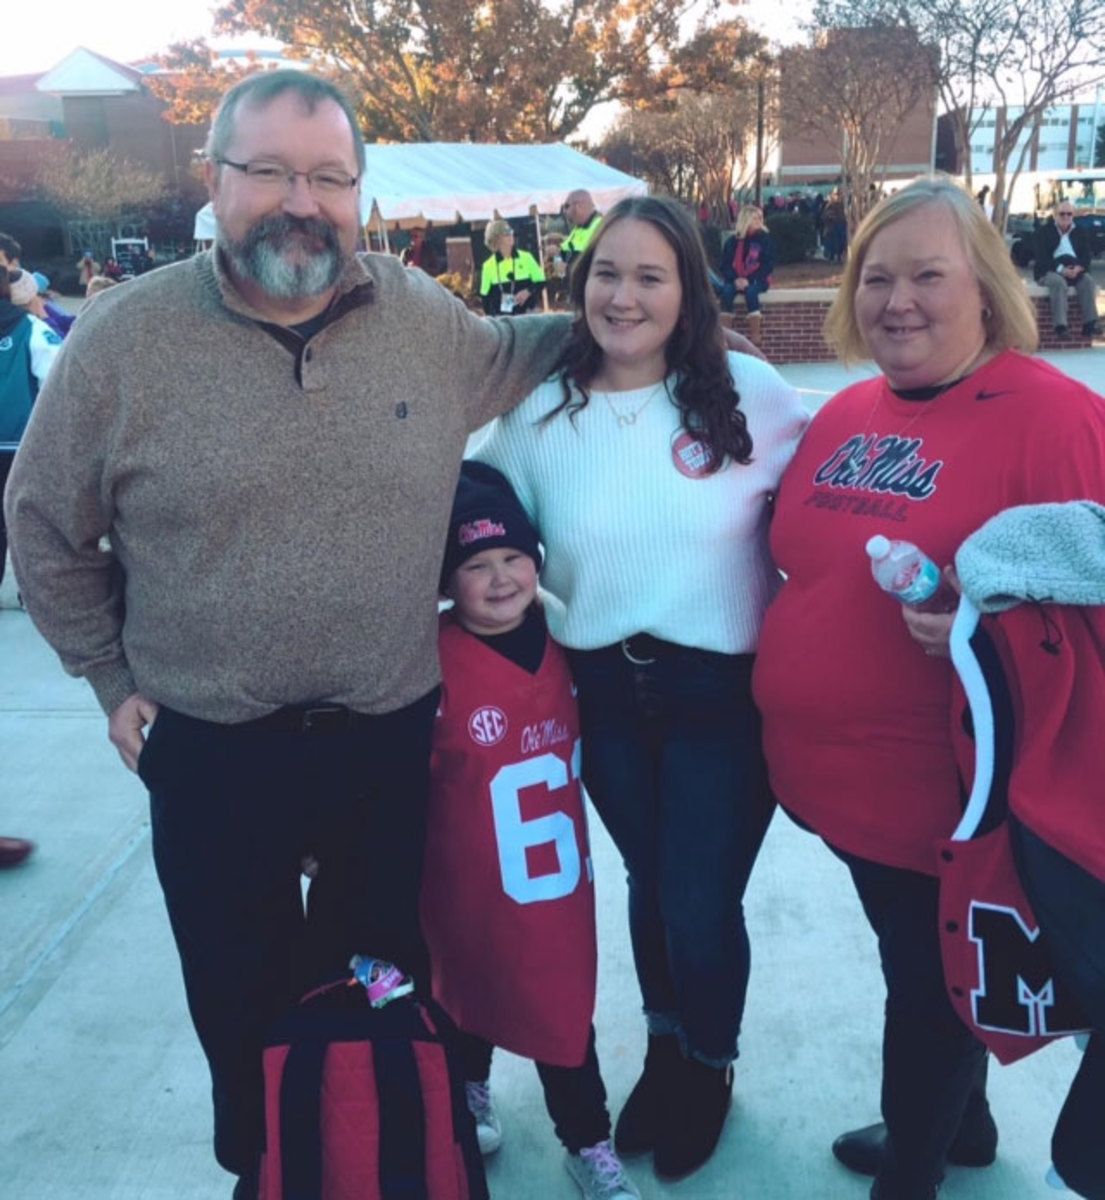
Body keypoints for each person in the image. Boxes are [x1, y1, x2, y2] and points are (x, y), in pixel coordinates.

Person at [3, 69, 572, 1200]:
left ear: (360, 192)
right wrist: (111, 681)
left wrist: (677, 328)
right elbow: (43, 527)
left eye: (326, 176)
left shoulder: (423, 322)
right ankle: (265, 1168)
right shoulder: (123, 340)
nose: (298, 200)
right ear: (213, 182)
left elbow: (546, 344)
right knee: (237, 1003)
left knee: (382, 994)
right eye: (266, 170)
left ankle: (372, 1160)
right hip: (211, 750)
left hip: (384, 741)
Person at [751, 175, 1105, 1200]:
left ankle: (909, 1173)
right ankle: (965, 1127)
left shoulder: (1055, 417)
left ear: (985, 291)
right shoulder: (847, 409)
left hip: (951, 803)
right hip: (835, 798)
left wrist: (991, 626)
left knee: (927, 992)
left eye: (926, 276)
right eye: (875, 276)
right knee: (916, 973)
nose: (895, 299)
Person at [475, 194, 808, 1182]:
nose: (622, 296)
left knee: (699, 900)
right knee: (647, 885)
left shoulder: (751, 393)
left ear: (686, 291)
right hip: (603, 692)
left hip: (721, 693)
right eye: (605, 276)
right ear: (579, 288)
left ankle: (708, 1066)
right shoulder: (540, 408)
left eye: (649, 276)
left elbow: (831, 495)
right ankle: (665, 1048)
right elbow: (481, 501)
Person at [421, 460, 640, 1200]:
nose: (500, 577)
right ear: (446, 581)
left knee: (560, 1014)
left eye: (512, 557)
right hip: (463, 881)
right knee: (463, 994)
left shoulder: (571, 638)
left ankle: (587, 1143)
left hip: (552, 889)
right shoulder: (427, 663)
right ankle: (468, 1094)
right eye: (474, 564)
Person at [0, 268, 61, 590]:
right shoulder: (30, 329)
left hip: (17, 446)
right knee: (24, 526)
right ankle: (31, 593)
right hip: (18, 446)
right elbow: (58, 383)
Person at [1033, 200, 1101, 340]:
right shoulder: (1044, 232)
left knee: (1088, 281)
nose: (1065, 217)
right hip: (1050, 271)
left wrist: (1078, 268)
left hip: (1074, 268)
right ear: (1055, 215)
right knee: (1058, 283)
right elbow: (1041, 258)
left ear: (1073, 215)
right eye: (1062, 214)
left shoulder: (1080, 231)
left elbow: (1086, 255)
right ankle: (1061, 327)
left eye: (1069, 214)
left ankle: (1090, 323)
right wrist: (1061, 270)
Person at [719, 204, 775, 346]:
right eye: (754, 219)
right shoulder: (732, 242)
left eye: (759, 218)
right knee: (726, 292)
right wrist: (735, 279)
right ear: (745, 220)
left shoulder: (765, 239)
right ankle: (725, 336)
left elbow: (769, 264)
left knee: (751, 293)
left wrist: (750, 280)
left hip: (758, 279)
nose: (758, 222)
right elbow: (724, 264)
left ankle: (756, 336)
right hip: (735, 278)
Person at [479, 219, 546, 316]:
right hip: (503, 320)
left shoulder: (526, 257)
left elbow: (541, 282)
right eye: (506, 232)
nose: (511, 235)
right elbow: (485, 298)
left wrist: (528, 291)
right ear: (497, 238)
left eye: (511, 231)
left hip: (528, 315)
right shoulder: (488, 265)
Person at [560, 189, 602, 264]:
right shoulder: (578, 228)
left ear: (579, 206)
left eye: (566, 206)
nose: (564, 212)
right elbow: (566, 251)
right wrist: (557, 252)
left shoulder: (601, 226)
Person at [822, 189, 847, 263]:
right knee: (832, 243)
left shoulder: (842, 205)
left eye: (839, 195)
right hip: (832, 226)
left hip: (842, 225)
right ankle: (831, 256)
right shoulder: (830, 205)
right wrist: (831, 218)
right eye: (836, 195)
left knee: (842, 242)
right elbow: (825, 216)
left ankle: (839, 256)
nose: (838, 197)